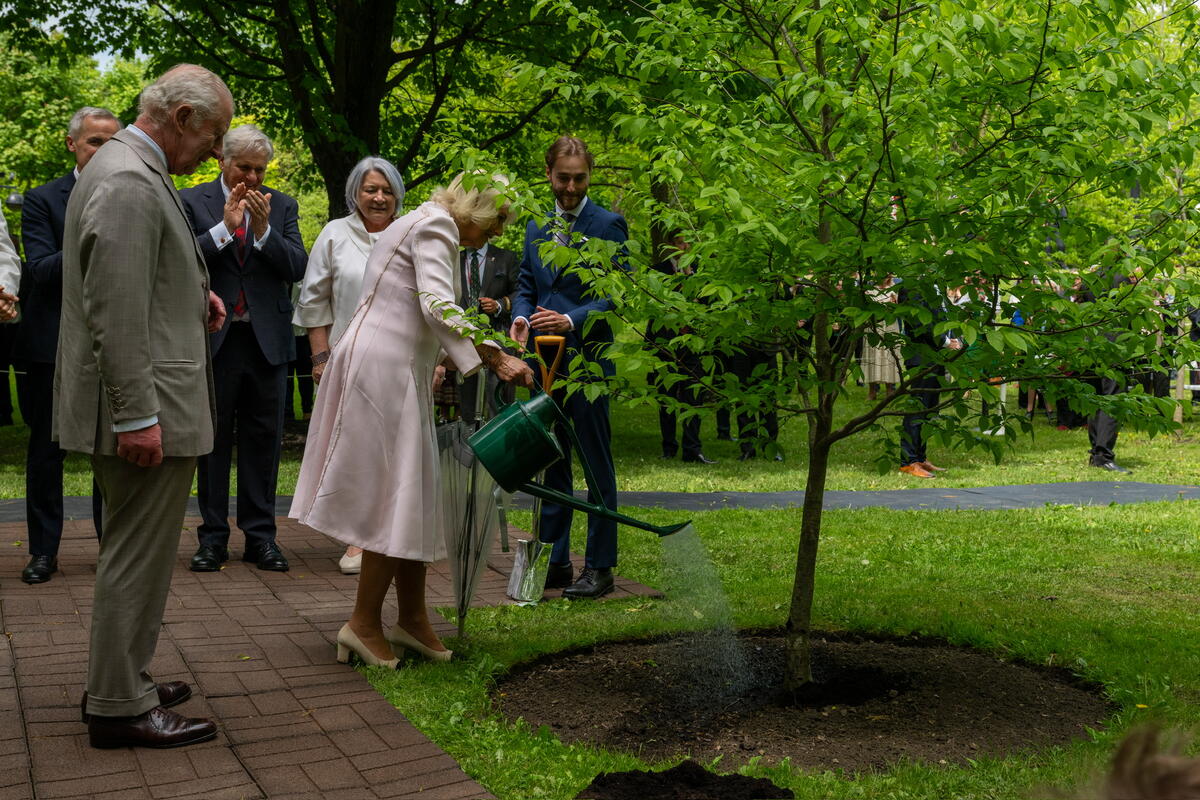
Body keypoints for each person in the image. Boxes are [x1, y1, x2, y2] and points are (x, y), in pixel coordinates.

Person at [55, 64, 232, 749]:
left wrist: (195, 296)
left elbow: (134, 279)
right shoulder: (129, 178)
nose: (216, 153)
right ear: (183, 119)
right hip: (140, 404)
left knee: (136, 549)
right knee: (135, 554)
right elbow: (115, 310)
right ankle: (119, 705)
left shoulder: (129, 167)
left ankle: (122, 677)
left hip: (144, 394)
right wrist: (136, 415)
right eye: (213, 134)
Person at [289, 173, 532, 667]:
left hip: (391, 369)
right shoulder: (436, 226)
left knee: (413, 496)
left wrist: (450, 357)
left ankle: (413, 620)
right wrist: (496, 357)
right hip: (382, 373)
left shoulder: (422, 220)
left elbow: (419, 308)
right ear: (476, 208)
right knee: (390, 498)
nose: (498, 233)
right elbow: (437, 305)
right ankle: (361, 624)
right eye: (497, 220)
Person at [181, 125, 307, 573]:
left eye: (260, 169)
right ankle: (212, 538)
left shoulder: (283, 205)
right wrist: (225, 228)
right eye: (244, 168)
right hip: (214, 340)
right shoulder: (193, 201)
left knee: (263, 443)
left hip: (266, 343)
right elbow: (180, 259)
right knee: (211, 443)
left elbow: (296, 267)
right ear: (222, 161)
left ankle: (261, 538)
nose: (252, 178)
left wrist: (264, 231)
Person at [509, 135, 627, 600]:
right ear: (549, 174)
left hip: (590, 364)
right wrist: (521, 316)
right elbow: (525, 284)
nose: (571, 187)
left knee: (596, 464)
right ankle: (556, 561)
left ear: (589, 176)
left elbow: (616, 293)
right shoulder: (536, 224)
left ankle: (600, 566)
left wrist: (572, 319)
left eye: (579, 178)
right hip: (544, 363)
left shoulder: (609, 224)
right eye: (564, 178)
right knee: (551, 460)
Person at [15, 107, 119, 583]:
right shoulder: (41, 200)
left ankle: (113, 550)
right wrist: (96, 234)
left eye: (113, 142)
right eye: (96, 141)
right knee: (46, 452)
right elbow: (39, 270)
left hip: (112, 342)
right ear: (72, 144)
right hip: (50, 345)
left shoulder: (128, 195)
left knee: (111, 452)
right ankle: (42, 552)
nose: (105, 151)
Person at [294, 155, 405, 575]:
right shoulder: (335, 234)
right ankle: (357, 539)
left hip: (400, 363)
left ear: (398, 193)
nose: (378, 197)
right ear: (355, 193)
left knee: (396, 449)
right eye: (370, 189)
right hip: (347, 361)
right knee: (355, 448)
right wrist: (320, 357)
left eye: (386, 189)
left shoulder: (410, 232)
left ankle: (394, 533)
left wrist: (436, 363)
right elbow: (313, 300)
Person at [647, 232, 713, 464]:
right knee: (667, 396)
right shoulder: (658, 271)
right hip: (665, 343)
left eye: (688, 243)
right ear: (670, 245)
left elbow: (708, 306)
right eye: (679, 242)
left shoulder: (700, 271)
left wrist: (689, 275)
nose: (685, 246)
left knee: (693, 395)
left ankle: (693, 449)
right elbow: (654, 306)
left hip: (693, 344)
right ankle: (668, 447)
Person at [449, 224, 520, 422]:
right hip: (463, 338)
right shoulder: (454, 258)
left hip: (498, 337)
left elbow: (521, 293)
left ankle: (501, 443)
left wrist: (499, 305)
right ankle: (470, 441)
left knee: (499, 399)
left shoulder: (507, 258)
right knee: (467, 400)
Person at [897, 282, 960, 478]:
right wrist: (946, 342)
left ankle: (920, 457)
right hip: (921, 355)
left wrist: (955, 338)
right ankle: (908, 461)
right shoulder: (912, 286)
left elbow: (943, 317)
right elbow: (919, 322)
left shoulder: (936, 286)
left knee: (929, 409)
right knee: (917, 408)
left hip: (937, 356)